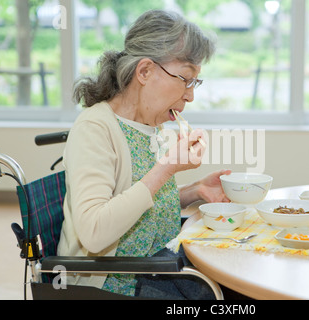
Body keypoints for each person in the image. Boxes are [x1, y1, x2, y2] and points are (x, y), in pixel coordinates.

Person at [57, 10, 230, 299]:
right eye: (185, 79)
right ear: (145, 71)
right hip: (119, 284)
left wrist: (195, 190)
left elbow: (141, 199)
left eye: (194, 83)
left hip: (159, 265)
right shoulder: (95, 128)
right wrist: (166, 167)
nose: (190, 96)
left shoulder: (153, 125)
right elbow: (94, 231)